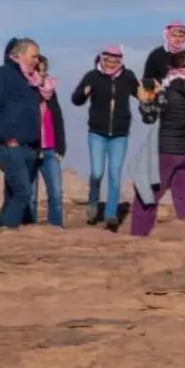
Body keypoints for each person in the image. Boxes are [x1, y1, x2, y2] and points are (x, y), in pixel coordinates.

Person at [127, 49, 185, 237]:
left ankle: (139, 237)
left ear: (172, 68)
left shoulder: (167, 91)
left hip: (167, 150)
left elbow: (149, 117)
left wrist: (146, 99)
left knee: (148, 194)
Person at [70, 44, 140, 232]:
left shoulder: (128, 76)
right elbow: (75, 99)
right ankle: (93, 203)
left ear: (121, 61)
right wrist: (83, 93)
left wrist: (151, 94)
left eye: (115, 61)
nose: (111, 64)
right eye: (108, 60)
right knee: (97, 173)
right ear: (102, 59)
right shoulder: (92, 76)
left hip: (120, 134)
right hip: (97, 133)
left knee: (115, 174)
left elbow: (141, 95)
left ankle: (111, 214)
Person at [0, 37, 43, 229]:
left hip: (30, 147)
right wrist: (8, 138)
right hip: (10, 145)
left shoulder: (30, 81)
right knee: (23, 192)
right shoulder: (1, 75)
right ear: (19, 55)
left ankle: (1, 234)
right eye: (33, 56)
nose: (37, 60)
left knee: (12, 195)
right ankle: (9, 232)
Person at [27, 54, 66, 228]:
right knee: (30, 195)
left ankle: (56, 227)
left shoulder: (51, 93)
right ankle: (29, 230)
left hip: (51, 150)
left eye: (44, 71)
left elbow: (58, 119)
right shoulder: (27, 92)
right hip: (31, 149)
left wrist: (61, 148)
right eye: (38, 70)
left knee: (56, 193)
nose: (42, 74)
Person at [142, 21, 185, 92]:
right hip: (162, 99)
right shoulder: (156, 54)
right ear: (167, 35)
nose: (177, 39)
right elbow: (147, 79)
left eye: (180, 36)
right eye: (174, 35)